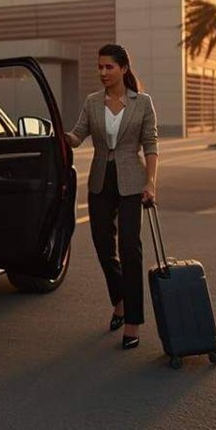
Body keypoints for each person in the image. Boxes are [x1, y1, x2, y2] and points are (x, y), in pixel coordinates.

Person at [65, 44, 159, 350]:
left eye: (109, 67)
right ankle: (119, 298)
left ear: (123, 69)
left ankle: (132, 321)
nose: (103, 73)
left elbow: (150, 145)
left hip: (133, 182)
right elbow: (78, 136)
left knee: (130, 249)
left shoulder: (142, 102)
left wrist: (151, 183)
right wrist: (61, 135)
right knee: (103, 246)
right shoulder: (93, 102)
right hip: (99, 183)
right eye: (100, 67)